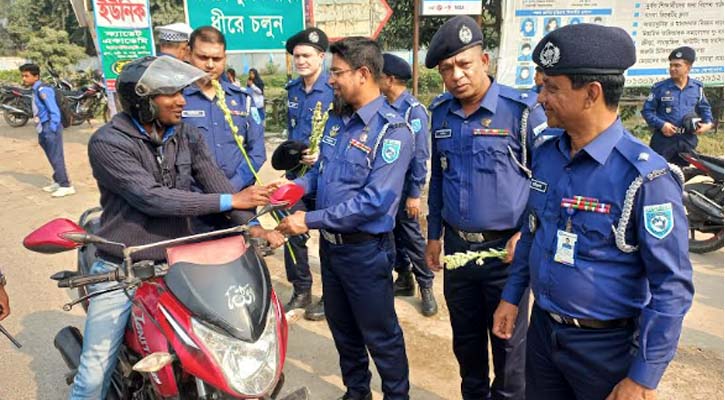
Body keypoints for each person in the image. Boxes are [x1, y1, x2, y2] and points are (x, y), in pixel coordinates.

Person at [493, 23, 694, 400]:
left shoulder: (645, 178)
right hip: (543, 334)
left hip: (606, 351)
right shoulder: (548, 154)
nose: (540, 99)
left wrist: (643, 377)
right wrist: (511, 296)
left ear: (592, 94)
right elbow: (533, 230)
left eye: (551, 87)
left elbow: (672, 287)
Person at [70, 56, 284, 399]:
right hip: (124, 266)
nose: (183, 100)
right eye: (170, 93)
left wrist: (253, 227)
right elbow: (152, 198)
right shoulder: (108, 142)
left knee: (222, 344)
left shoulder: (186, 134)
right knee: (94, 372)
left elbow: (219, 185)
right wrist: (231, 203)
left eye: (182, 92)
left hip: (182, 261)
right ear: (142, 100)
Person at [277, 37, 414, 400]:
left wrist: (308, 220)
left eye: (337, 72)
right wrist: (292, 190)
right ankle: (357, 393)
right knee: (343, 331)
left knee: (381, 335)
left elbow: (374, 202)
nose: (331, 80)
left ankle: (397, 396)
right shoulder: (337, 123)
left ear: (364, 73)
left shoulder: (393, 131)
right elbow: (320, 175)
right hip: (333, 251)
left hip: (366, 252)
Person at [424, 16, 549, 400]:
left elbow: (548, 182)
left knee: (510, 351)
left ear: (485, 61)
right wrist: (433, 235)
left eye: (464, 64)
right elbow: (439, 178)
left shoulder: (522, 111)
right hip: (460, 252)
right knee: (466, 345)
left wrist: (524, 233)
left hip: (505, 255)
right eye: (447, 69)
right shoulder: (441, 112)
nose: (457, 75)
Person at [281, 27, 334, 320]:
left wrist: (323, 155)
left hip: (325, 176)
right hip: (296, 176)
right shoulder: (292, 91)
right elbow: (291, 133)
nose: (301, 61)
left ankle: (330, 294)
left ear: (321, 57)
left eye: (307, 55)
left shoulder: (335, 89)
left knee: (328, 235)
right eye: (297, 56)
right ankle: (302, 290)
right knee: (291, 229)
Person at [379, 53, 437, 317]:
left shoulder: (413, 110)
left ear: (390, 79)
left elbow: (420, 155)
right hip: (385, 187)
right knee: (391, 236)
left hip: (404, 190)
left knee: (412, 238)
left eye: (378, 75)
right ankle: (404, 278)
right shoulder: (382, 105)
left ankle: (426, 284)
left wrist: (414, 193)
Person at [182, 26, 266, 194]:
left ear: (225, 58)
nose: (210, 65)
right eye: (203, 57)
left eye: (217, 58)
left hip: (240, 195)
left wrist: (232, 187)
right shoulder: (177, 99)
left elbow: (257, 152)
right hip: (195, 199)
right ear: (189, 54)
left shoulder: (243, 99)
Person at [642, 46, 713, 166]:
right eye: (671, 65)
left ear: (688, 68)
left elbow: (705, 109)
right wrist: (662, 125)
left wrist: (708, 124)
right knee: (659, 175)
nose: (672, 68)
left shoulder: (697, 88)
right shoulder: (660, 88)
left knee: (685, 175)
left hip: (687, 140)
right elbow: (647, 111)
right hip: (663, 141)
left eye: (677, 65)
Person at [19, 63, 75, 197]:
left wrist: (52, 127)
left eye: (26, 76)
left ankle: (66, 185)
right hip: (42, 127)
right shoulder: (35, 90)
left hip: (49, 126)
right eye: (23, 76)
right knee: (51, 155)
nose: (24, 79)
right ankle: (58, 180)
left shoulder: (43, 90)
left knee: (56, 156)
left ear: (36, 76)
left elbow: (54, 110)